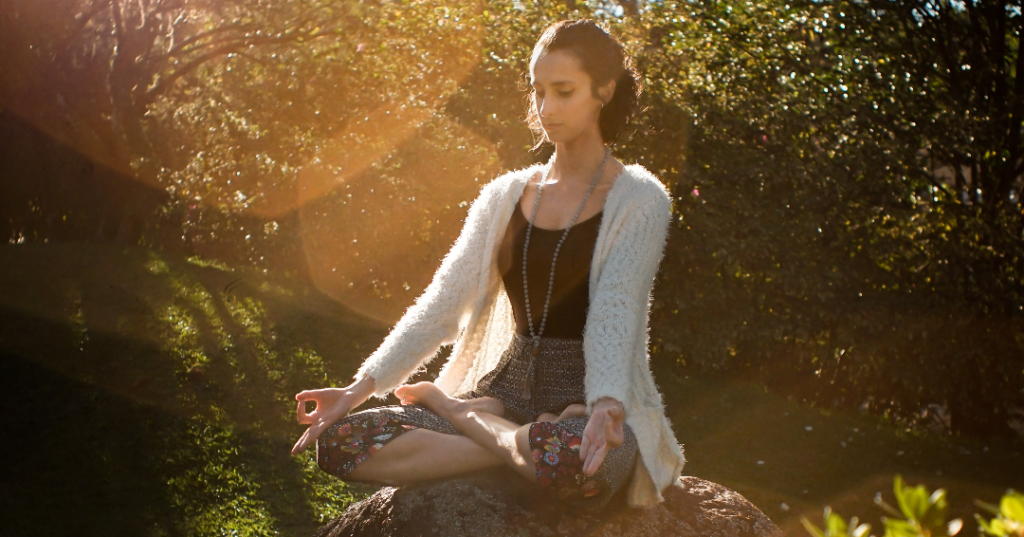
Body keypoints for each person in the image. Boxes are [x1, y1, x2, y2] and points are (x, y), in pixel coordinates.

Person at [290, 18, 685, 510]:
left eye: (564, 92)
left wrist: (607, 403)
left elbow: (616, 308)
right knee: (341, 442)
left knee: (575, 464)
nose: (546, 109)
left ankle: (456, 413)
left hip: (586, 400)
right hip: (504, 387)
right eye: (538, 91)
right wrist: (356, 390)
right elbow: (440, 304)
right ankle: (497, 434)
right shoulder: (504, 197)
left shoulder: (641, 199)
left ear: (604, 89)